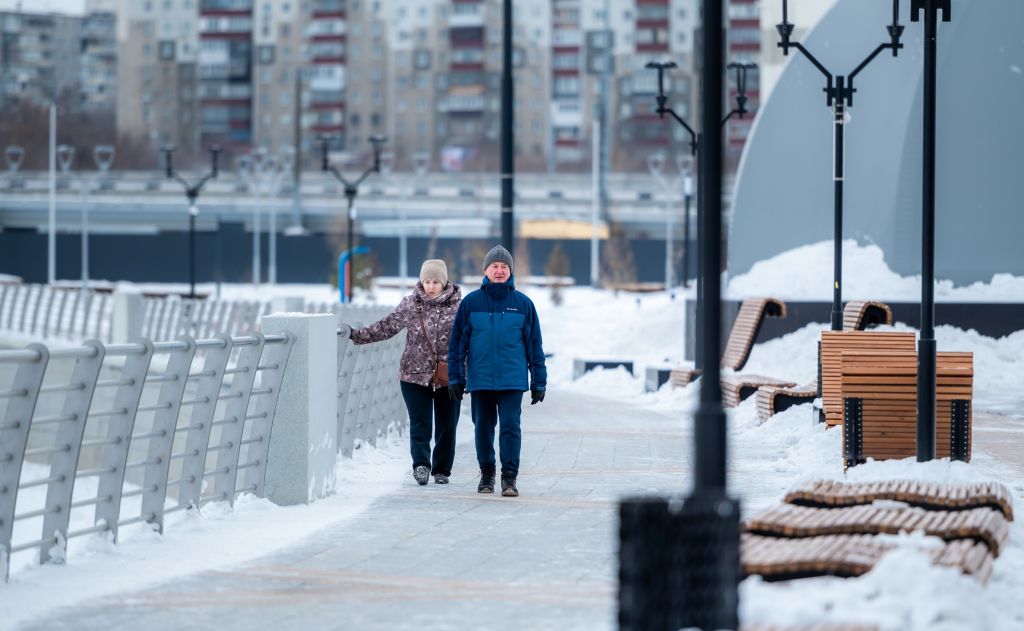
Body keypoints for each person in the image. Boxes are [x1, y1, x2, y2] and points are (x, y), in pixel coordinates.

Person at [340, 260, 462, 486]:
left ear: (444, 282)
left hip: (449, 377)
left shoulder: (459, 307)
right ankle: (421, 465)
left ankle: (442, 469)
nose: (431, 286)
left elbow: (470, 339)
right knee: (420, 422)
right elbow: (386, 327)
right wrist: (355, 335)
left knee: (447, 424)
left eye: (436, 282)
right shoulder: (411, 304)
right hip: (413, 375)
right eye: (427, 281)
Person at [447, 245, 546, 497]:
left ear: (510, 271)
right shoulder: (471, 303)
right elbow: (457, 344)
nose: (499, 271)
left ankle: (509, 478)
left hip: (512, 380)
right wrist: (456, 377)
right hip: (480, 380)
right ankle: (487, 473)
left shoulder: (523, 304)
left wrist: (539, 381)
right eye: (495, 266)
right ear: (485, 270)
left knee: (511, 427)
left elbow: (534, 345)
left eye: (504, 267)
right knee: (482, 428)